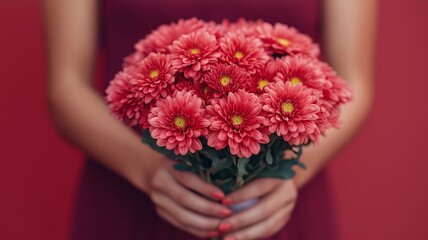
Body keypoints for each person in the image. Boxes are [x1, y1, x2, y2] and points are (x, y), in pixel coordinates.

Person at [43, 0, 377, 239]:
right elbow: (66, 87)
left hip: (278, 204)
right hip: (129, 191)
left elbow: (353, 87)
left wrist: (280, 172)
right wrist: (147, 168)